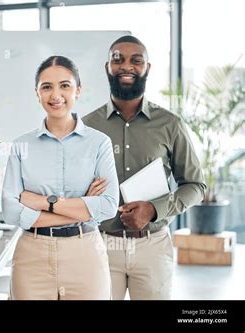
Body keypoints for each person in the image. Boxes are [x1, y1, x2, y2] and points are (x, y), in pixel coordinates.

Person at [82, 35, 206, 300]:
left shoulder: (170, 124)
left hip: (153, 247)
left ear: (147, 68)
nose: (127, 66)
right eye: (118, 59)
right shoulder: (86, 126)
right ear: (107, 67)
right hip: (100, 244)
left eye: (136, 60)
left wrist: (153, 210)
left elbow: (195, 186)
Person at [2, 55, 119, 300]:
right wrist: (82, 206)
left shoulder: (99, 143)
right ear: (37, 93)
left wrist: (46, 202)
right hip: (32, 256)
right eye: (47, 87)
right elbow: (12, 212)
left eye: (65, 85)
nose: (56, 95)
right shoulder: (21, 145)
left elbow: (107, 206)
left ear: (78, 90)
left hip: (84, 253)